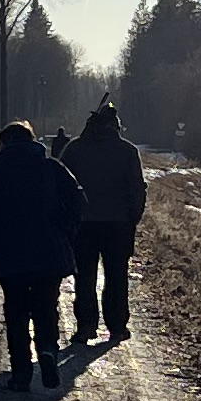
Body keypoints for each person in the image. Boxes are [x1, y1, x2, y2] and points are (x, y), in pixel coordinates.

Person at [0, 115, 86, 389]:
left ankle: (21, 373)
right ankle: (47, 350)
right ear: (32, 141)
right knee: (46, 305)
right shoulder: (52, 168)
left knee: (16, 311)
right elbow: (78, 201)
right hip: (49, 251)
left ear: (3, 143)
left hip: (9, 253)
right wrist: (66, 232)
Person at [66, 95, 149, 344]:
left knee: (84, 278)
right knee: (117, 277)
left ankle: (86, 326)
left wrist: (67, 220)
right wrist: (133, 218)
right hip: (118, 225)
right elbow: (137, 189)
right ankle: (117, 327)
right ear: (115, 126)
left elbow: (62, 187)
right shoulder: (128, 151)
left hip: (83, 226)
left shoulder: (74, 149)